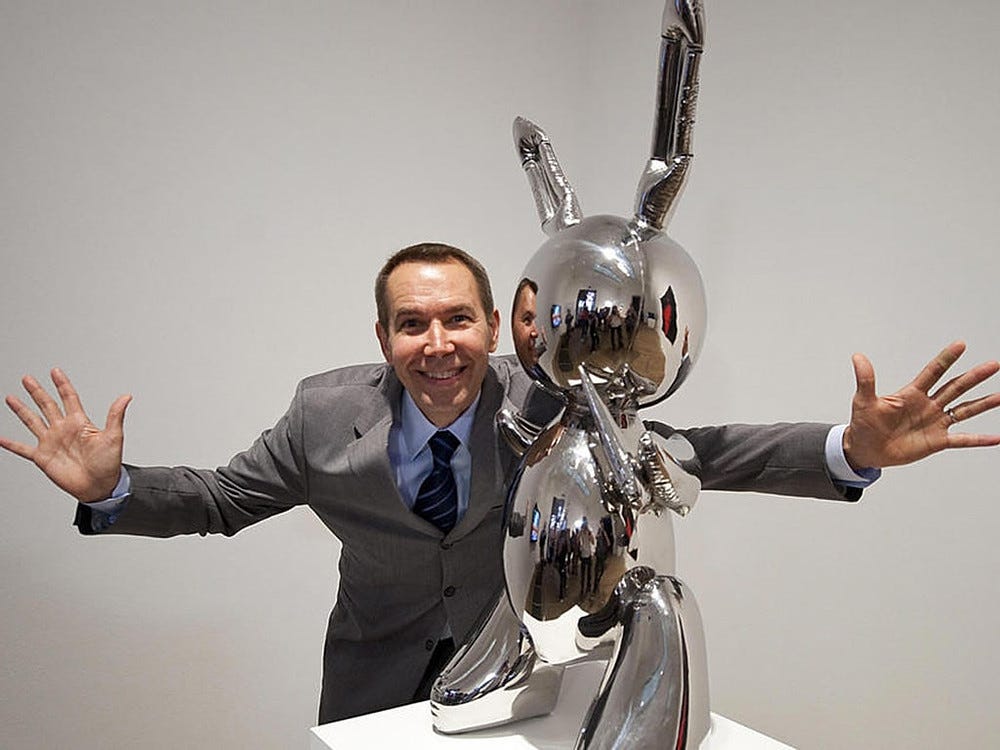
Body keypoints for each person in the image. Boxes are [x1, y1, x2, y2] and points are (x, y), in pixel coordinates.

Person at [2, 242, 1000, 724]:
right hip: (370, 688)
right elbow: (223, 500)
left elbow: (696, 449)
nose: (437, 344)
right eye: (411, 324)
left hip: (523, 687)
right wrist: (111, 488)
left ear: (493, 325)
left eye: (457, 320)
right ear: (383, 336)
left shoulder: (553, 402)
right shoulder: (321, 416)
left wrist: (848, 449)